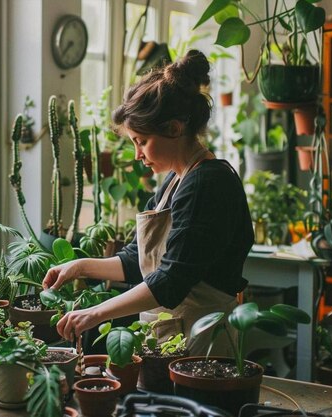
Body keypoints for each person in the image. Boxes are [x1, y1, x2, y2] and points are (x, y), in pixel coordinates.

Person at [42, 50, 254, 355]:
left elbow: (170, 281)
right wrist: (79, 267)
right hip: (171, 342)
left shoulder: (207, 184)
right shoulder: (178, 180)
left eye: (141, 141)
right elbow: (137, 261)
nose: (137, 154)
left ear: (174, 129)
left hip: (202, 349)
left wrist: (94, 313)